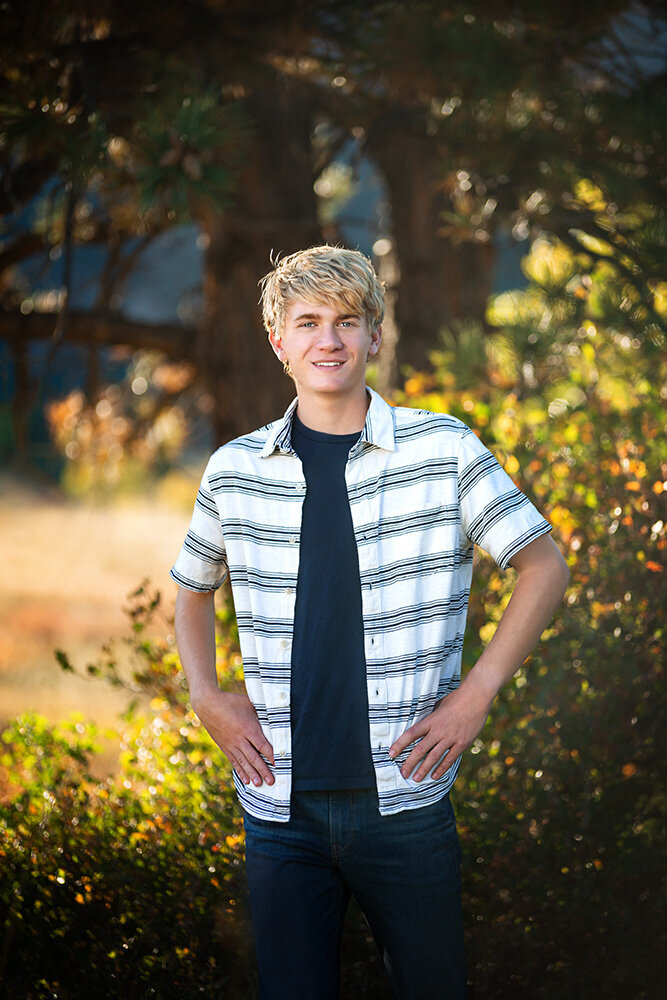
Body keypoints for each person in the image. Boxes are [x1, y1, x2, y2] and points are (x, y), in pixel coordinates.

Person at [170, 245, 570, 1000]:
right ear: (277, 341)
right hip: (278, 806)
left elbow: (543, 567)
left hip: (406, 799)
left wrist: (475, 693)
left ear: (374, 336)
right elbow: (192, 592)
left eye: (348, 322)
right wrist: (206, 695)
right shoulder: (234, 470)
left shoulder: (442, 448)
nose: (329, 340)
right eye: (308, 322)